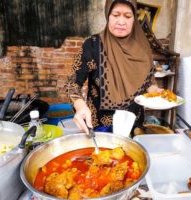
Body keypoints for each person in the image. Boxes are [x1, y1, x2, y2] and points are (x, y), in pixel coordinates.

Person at [66, 0, 162, 134]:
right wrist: (80, 106)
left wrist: (156, 92)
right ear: (107, 16)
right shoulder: (92, 45)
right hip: (101, 128)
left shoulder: (142, 47)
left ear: (134, 18)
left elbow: (148, 80)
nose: (121, 22)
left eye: (127, 16)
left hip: (133, 125)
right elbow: (72, 83)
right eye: (116, 15)